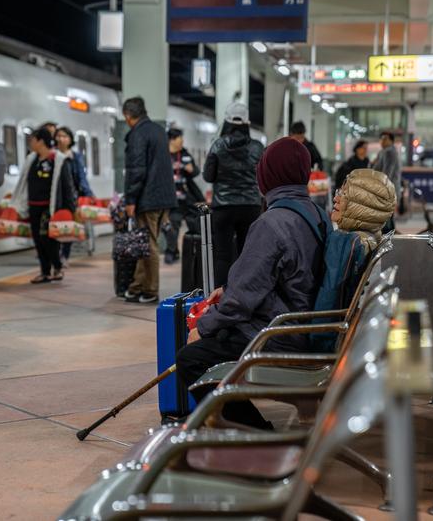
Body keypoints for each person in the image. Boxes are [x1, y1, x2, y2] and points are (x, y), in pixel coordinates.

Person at [177, 137, 326, 430]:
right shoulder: (315, 214)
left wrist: (204, 327)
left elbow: (241, 300)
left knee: (192, 358)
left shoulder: (272, 223)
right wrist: (231, 291)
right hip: (304, 324)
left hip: (279, 335)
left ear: (268, 175)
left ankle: (253, 431)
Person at [202, 102, 264, 288]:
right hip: (251, 207)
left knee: (223, 256)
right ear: (247, 122)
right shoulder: (257, 147)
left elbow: (208, 176)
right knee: (248, 253)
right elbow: (263, 177)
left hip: (223, 207)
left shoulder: (218, 145)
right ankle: (246, 293)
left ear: (227, 121)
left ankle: (220, 299)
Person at [122, 96, 177, 304]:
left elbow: (137, 170)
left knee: (148, 244)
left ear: (127, 115)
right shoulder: (157, 130)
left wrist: (130, 199)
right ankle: (137, 286)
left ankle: (151, 290)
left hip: (148, 196)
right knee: (143, 242)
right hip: (163, 196)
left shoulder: (138, 134)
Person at [12, 128, 77, 284]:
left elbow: (67, 185)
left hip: (51, 206)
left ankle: (57, 267)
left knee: (48, 239)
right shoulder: (32, 159)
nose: (30, 143)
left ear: (40, 141)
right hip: (33, 205)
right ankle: (45, 271)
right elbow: (23, 182)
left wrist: (69, 208)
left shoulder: (58, 160)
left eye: (32, 140)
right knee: (37, 239)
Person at [164, 128, 205, 264]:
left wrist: (192, 170)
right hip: (172, 200)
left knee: (194, 225)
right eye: (179, 138)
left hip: (188, 198)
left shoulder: (185, 154)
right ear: (172, 140)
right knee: (172, 228)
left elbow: (196, 171)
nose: (182, 141)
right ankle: (172, 251)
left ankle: (196, 251)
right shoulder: (163, 156)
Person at [55, 126, 94, 267]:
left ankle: (64, 255)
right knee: (55, 225)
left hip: (71, 196)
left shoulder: (75, 157)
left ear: (70, 139)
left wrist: (87, 193)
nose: (60, 139)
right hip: (55, 196)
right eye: (58, 136)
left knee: (68, 226)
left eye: (64, 136)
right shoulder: (53, 155)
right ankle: (56, 255)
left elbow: (81, 176)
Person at [372, 131, 402, 233]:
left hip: (387, 189)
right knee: (387, 215)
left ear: (391, 141)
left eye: (385, 139)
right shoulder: (384, 152)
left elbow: (386, 174)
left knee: (386, 215)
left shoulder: (389, 152)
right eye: (381, 139)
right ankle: (390, 234)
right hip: (387, 188)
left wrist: (380, 189)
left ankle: (389, 235)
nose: (382, 141)